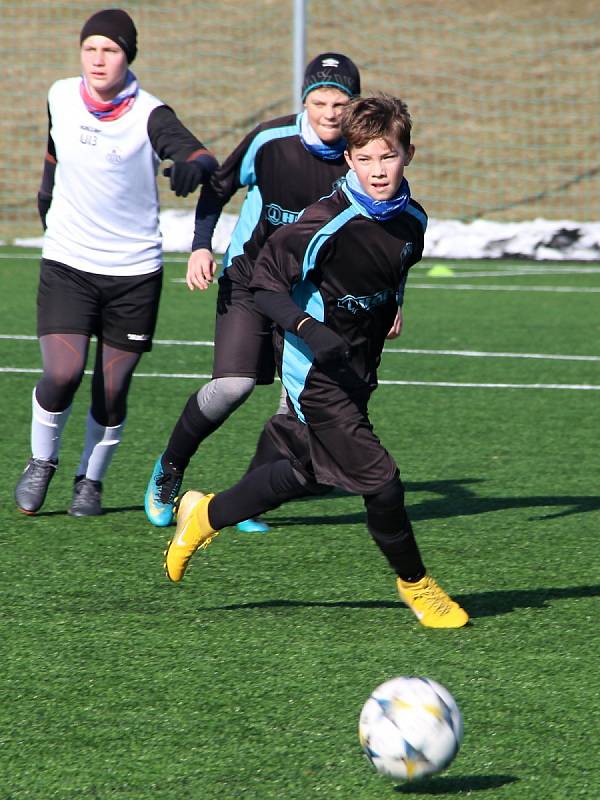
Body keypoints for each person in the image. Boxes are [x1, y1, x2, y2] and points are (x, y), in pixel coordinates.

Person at [162, 94, 469, 629]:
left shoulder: (412, 219)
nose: (378, 170)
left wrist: (395, 304)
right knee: (382, 482)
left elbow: (398, 268)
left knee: (310, 474)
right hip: (314, 374)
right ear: (348, 160)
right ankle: (418, 587)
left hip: (357, 369)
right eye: (366, 158)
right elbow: (263, 285)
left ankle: (204, 514)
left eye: (387, 156)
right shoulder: (325, 221)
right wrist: (308, 329)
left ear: (408, 154)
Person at [14, 8, 218, 517]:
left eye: (110, 50)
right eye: (91, 48)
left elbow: (196, 154)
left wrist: (193, 167)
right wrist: (46, 204)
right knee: (62, 373)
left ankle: (90, 480)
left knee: (112, 387)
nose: (98, 59)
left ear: (128, 56)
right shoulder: (60, 94)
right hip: (67, 262)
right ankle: (42, 461)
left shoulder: (150, 113)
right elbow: (53, 156)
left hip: (133, 273)